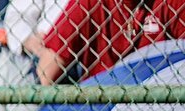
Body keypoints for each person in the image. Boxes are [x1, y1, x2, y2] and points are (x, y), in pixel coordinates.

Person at [38, 0, 185, 85]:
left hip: (156, 96)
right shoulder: (89, 2)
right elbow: (46, 72)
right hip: (102, 101)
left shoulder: (171, 3)